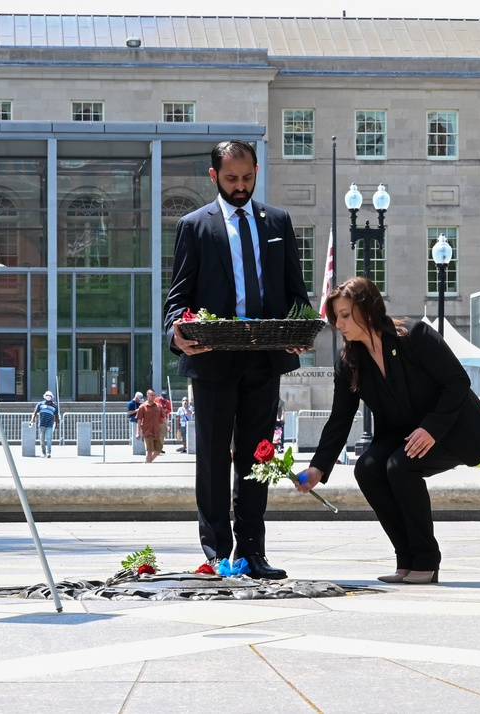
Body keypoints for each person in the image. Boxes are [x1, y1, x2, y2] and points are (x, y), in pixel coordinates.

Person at [164, 139, 310, 580]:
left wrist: (300, 329)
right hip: (212, 361)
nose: (240, 187)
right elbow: (178, 300)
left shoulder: (279, 221)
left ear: (256, 172)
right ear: (214, 177)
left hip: (264, 360)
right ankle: (217, 554)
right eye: (231, 179)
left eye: (248, 178)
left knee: (257, 458)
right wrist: (176, 330)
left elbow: (295, 293)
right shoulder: (194, 226)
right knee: (211, 459)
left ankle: (253, 553)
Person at [295, 277, 480, 585]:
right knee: (368, 468)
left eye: (346, 314)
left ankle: (426, 560)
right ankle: (407, 558)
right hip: (403, 434)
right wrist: (317, 468)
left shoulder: (414, 335)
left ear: (368, 308)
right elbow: (340, 418)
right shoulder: (350, 363)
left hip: (453, 429)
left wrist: (431, 428)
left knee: (400, 466)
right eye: (336, 316)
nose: (339, 323)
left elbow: (457, 381)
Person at [135, 389, 166, 463]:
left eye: (154, 395)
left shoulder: (158, 406)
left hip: (156, 432)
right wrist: (138, 432)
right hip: (147, 432)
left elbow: (164, 417)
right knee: (149, 451)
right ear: (147, 395)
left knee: (158, 450)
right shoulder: (143, 407)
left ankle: (147, 462)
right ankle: (148, 466)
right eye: (151, 395)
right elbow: (139, 420)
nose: (153, 397)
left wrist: (166, 426)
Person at [30, 391, 59, 458]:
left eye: (50, 396)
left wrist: (56, 424)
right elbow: (35, 412)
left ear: (52, 397)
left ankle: (49, 452)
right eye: (47, 395)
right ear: (44, 396)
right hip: (42, 424)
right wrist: (32, 420)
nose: (48, 397)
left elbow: (56, 416)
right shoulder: (40, 404)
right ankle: (43, 452)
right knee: (42, 439)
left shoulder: (54, 406)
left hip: (50, 424)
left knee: (49, 438)